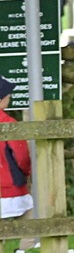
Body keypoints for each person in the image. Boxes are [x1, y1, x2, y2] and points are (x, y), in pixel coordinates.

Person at [0, 76, 33, 221]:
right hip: (9, 188)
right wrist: (26, 172)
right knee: (32, 223)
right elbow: (22, 156)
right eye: (8, 94)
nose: (10, 97)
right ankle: (29, 244)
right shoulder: (8, 123)